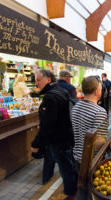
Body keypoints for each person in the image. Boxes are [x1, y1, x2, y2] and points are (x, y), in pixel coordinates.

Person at [31, 69, 77, 199]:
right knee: (68, 166)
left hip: (59, 140)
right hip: (67, 137)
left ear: (48, 79)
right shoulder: (61, 91)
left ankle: (70, 194)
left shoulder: (50, 97)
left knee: (65, 169)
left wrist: (36, 143)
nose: (36, 83)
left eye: (39, 80)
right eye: (35, 80)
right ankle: (72, 190)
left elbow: (47, 125)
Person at [71, 76, 109, 199]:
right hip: (91, 160)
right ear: (97, 92)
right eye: (100, 89)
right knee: (92, 193)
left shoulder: (75, 106)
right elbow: (99, 142)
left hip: (77, 156)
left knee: (82, 189)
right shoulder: (99, 112)